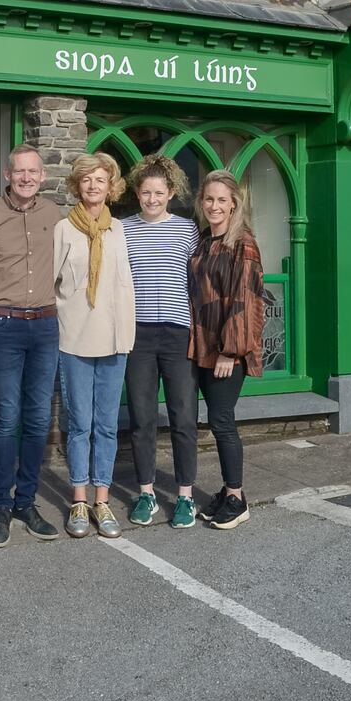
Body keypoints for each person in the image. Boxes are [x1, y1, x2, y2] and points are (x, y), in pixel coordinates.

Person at [0, 144, 61, 549]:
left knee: (38, 420)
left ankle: (26, 503)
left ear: (42, 176)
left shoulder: (56, 214)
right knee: (8, 419)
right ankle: (0, 506)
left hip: (46, 326)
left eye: (32, 172)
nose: (26, 178)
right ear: (7, 175)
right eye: (19, 172)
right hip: (1, 326)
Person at [54, 152, 135, 539]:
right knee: (79, 425)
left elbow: (127, 288)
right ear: (76, 185)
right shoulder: (63, 230)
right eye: (86, 179)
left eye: (100, 180)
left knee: (106, 426)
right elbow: (51, 287)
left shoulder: (119, 230)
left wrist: (128, 335)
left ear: (111, 186)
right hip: (74, 340)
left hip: (115, 341)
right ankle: (78, 500)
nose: (92, 186)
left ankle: (102, 499)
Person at [122, 155, 200, 529]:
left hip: (177, 333)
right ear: (137, 192)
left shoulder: (187, 230)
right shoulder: (121, 230)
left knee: (184, 417)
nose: (151, 198)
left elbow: (198, 286)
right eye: (145, 192)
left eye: (158, 192)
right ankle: (147, 493)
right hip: (138, 334)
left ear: (171, 193)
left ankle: (185, 496)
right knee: (142, 418)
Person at [189, 170, 265, 531]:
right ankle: (227, 489)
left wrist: (229, 352)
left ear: (234, 204)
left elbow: (245, 302)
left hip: (226, 351)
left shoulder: (242, 244)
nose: (214, 206)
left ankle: (237, 496)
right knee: (216, 420)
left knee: (222, 420)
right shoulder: (204, 240)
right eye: (209, 199)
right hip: (203, 345)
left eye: (222, 200)